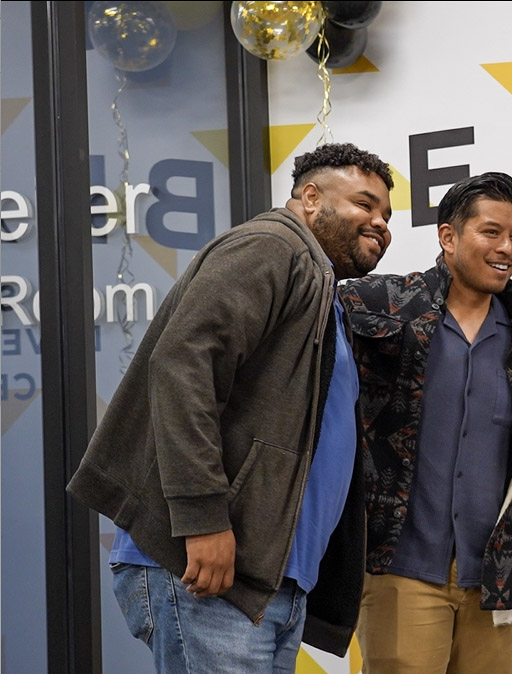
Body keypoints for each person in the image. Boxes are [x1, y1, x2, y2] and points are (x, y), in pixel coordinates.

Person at [66, 142, 395, 671]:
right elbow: (182, 365)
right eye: (364, 203)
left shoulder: (322, 291)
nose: (380, 222)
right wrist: (202, 521)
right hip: (207, 567)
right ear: (311, 198)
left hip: (266, 579)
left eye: (386, 214)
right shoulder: (272, 245)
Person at [340, 172, 512, 674]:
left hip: (497, 577)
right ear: (448, 237)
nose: (508, 248)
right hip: (402, 568)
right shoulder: (387, 309)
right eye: (491, 232)